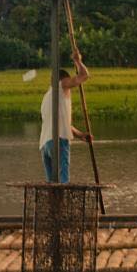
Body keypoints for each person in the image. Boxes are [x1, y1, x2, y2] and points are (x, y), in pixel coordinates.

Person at [38, 50, 92, 182]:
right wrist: (77, 61)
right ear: (64, 79)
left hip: (44, 145)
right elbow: (84, 76)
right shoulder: (61, 86)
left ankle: (55, 202)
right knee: (63, 180)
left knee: (52, 184)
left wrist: (80, 135)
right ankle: (63, 202)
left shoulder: (47, 96)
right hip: (58, 141)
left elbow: (63, 123)